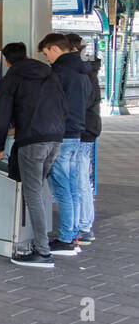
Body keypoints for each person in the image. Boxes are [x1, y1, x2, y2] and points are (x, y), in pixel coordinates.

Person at [0, 41, 66, 268]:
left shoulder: (10, 80)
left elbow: (1, 115)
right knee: (38, 191)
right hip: (56, 138)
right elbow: (63, 105)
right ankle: (38, 243)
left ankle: (43, 253)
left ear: (6, 61)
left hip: (33, 140)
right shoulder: (49, 74)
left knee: (32, 194)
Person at [38, 33, 89, 257]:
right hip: (77, 133)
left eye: (47, 53)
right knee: (72, 187)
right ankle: (74, 233)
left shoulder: (58, 73)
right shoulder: (83, 71)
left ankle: (66, 239)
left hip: (61, 134)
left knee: (61, 188)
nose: (47, 58)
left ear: (56, 49)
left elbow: (50, 105)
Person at [66, 33, 101, 244]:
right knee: (79, 178)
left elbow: (80, 104)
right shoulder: (88, 70)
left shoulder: (82, 72)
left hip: (81, 130)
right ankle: (83, 224)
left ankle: (83, 226)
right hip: (87, 129)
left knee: (79, 179)